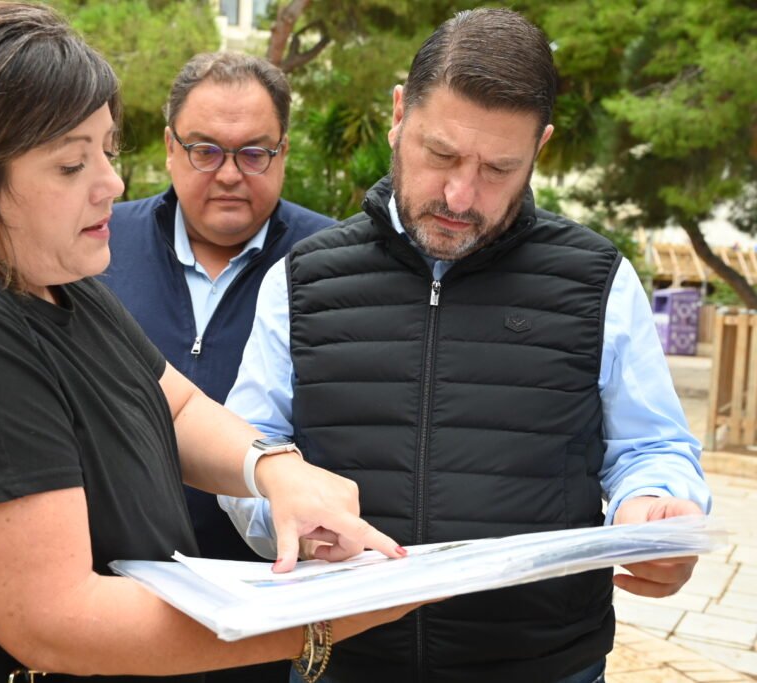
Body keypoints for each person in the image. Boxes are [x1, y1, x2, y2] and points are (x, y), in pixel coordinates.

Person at [0, 4, 428, 681]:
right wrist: (318, 616)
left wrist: (275, 470)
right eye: (70, 165)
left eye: (107, 152)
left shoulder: (58, 285)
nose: (112, 185)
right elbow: (59, 620)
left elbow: (174, 407)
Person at [220, 8, 712, 683]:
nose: (459, 195)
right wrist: (282, 516)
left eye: (498, 168)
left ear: (539, 148)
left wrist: (653, 509)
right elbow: (245, 453)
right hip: (341, 663)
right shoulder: (303, 279)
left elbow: (651, 447)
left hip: (546, 668)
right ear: (400, 114)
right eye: (441, 154)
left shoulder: (598, 279)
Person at [103, 53, 333, 569]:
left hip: (271, 585)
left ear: (283, 152)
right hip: (116, 576)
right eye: (205, 151)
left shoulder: (331, 264)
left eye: (253, 153)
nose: (229, 174)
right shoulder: (99, 246)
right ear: (170, 147)